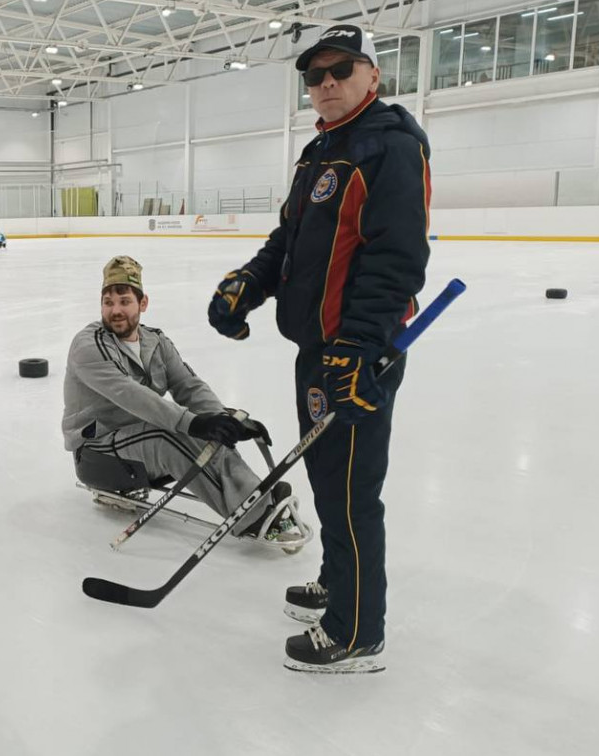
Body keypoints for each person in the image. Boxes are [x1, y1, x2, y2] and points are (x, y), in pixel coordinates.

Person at [206, 24, 430, 673]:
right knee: (326, 478)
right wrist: (248, 283)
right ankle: (338, 587)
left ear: (371, 76)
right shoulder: (319, 153)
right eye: (314, 75)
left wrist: (358, 346)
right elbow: (289, 242)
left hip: (357, 354)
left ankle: (357, 631)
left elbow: (396, 257)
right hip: (317, 348)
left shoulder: (389, 147)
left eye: (340, 70)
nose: (326, 83)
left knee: (351, 487)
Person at [63, 256, 306, 546]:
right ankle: (254, 515)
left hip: (141, 441)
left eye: (124, 301)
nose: (115, 310)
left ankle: (256, 492)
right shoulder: (89, 345)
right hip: (98, 452)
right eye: (108, 302)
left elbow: (188, 386)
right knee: (170, 434)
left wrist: (223, 420)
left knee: (209, 432)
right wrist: (193, 422)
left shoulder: (156, 342)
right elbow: (129, 394)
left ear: (143, 303)